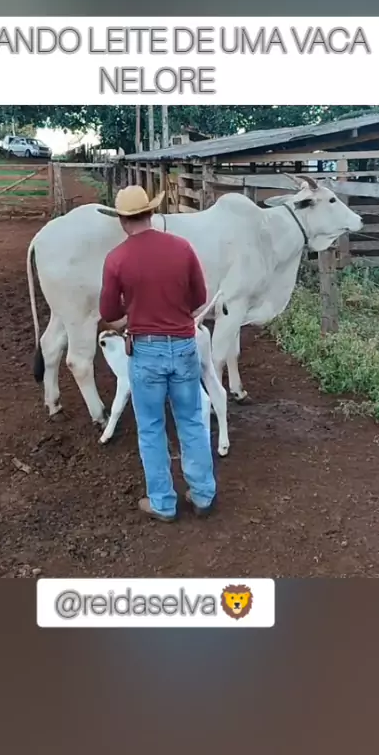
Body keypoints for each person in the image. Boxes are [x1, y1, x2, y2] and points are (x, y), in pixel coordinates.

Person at [97, 185, 217, 523]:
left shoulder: (116, 259)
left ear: (122, 220)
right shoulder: (182, 247)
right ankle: (203, 495)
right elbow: (199, 298)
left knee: (151, 427)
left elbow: (108, 311)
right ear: (151, 212)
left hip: (145, 350)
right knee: (191, 420)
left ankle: (163, 503)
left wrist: (133, 310)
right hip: (184, 345)